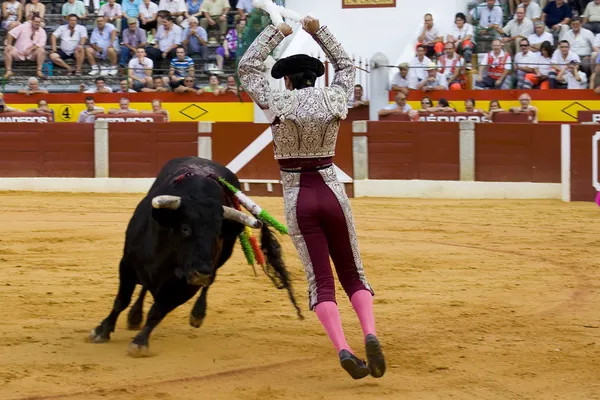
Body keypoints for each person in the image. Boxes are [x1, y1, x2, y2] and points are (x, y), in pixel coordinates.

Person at [237, 16, 385, 380]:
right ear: (317, 77)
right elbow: (347, 64)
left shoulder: (276, 101)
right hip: (332, 191)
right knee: (352, 272)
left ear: (287, 80)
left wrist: (280, 31)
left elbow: (247, 66)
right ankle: (370, 334)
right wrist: (318, 31)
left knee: (321, 280)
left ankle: (344, 348)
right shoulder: (335, 97)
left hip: (298, 197)